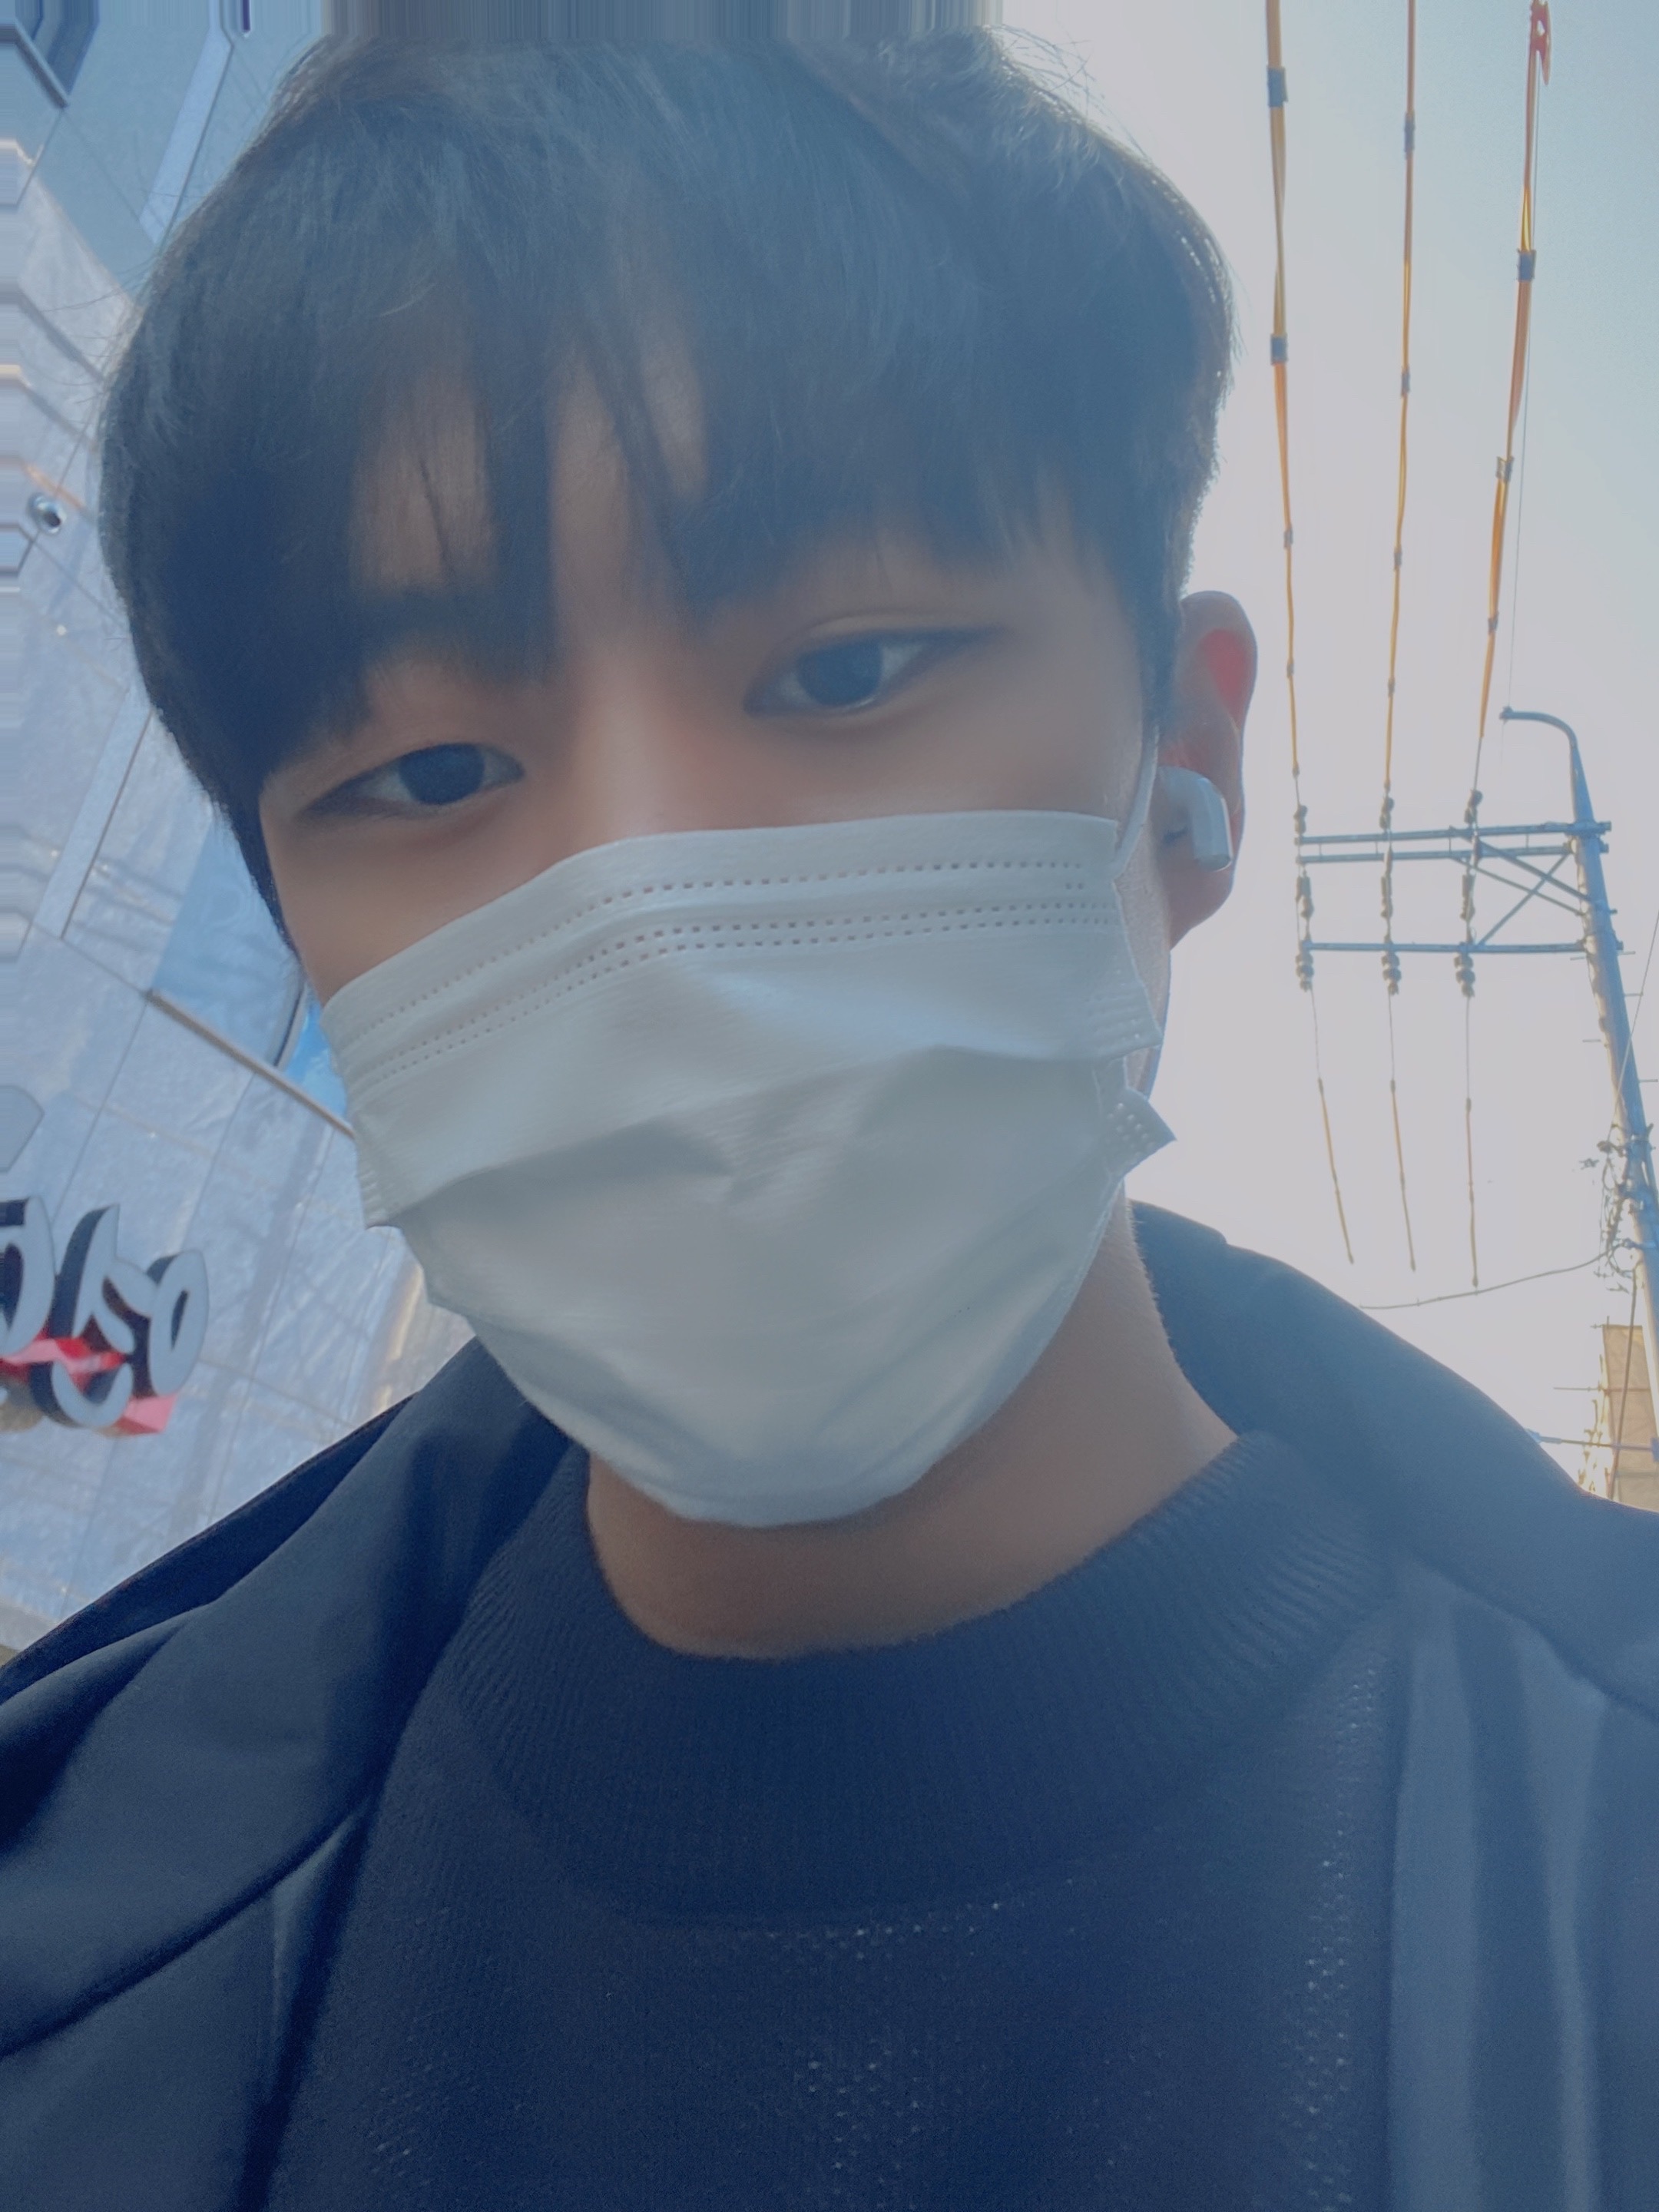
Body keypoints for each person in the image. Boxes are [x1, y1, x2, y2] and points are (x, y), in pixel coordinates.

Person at [3, 8, 1657, 2208]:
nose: (650, 918)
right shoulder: (64, 1937)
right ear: (299, 932)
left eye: (848, 669)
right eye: (429, 774)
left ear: (1186, 762)